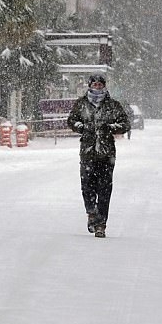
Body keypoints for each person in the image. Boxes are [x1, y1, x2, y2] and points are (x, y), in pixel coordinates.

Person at [69, 74, 130, 238]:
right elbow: (71, 120)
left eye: (99, 84)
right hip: (88, 153)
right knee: (87, 187)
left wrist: (110, 127)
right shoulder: (81, 104)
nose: (97, 87)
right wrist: (81, 127)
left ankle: (101, 224)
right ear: (89, 86)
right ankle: (91, 213)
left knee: (104, 190)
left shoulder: (113, 105)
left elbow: (125, 124)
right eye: (94, 84)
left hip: (106, 154)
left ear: (104, 86)